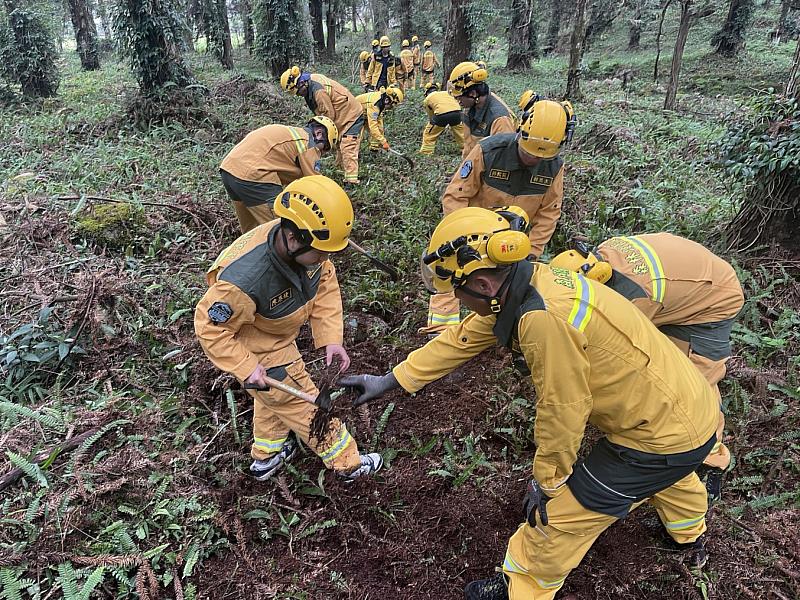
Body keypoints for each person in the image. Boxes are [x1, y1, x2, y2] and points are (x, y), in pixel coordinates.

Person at [340, 206, 718, 600]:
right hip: (692, 413)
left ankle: (520, 588)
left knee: (559, 519)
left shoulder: (543, 318)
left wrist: (549, 481)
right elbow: (465, 337)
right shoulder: (535, 280)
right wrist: (391, 379)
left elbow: (564, 406)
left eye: (458, 291)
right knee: (674, 475)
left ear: (484, 285)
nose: (458, 300)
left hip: (659, 438)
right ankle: (689, 535)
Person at [195, 175, 384, 483]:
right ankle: (349, 465)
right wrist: (246, 366)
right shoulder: (245, 281)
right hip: (259, 346)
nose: (326, 258)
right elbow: (210, 327)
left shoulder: (309, 250)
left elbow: (324, 284)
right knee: (306, 405)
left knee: (273, 398)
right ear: (295, 238)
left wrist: (331, 339)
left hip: (277, 334)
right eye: (322, 251)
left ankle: (266, 457)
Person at [550, 233, 745, 501]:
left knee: (694, 386)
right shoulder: (593, 262)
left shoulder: (634, 299)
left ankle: (710, 458)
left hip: (712, 300)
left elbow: (624, 352)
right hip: (678, 288)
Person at [422, 100, 575, 335]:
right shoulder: (489, 151)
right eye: (528, 152)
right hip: (472, 235)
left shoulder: (553, 167)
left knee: (501, 290)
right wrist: (460, 236)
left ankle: (491, 334)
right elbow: (456, 195)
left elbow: (549, 212)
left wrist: (532, 251)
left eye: (540, 157)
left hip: (510, 242)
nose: (534, 160)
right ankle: (440, 330)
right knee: (449, 272)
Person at [219, 117, 339, 233]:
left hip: (229, 170)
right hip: (254, 176)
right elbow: (315, 184)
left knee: (251, 230)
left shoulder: (291, 136)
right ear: (319, 134)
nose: (321, 154)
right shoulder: (308, 143)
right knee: (280, 229)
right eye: (325, 148)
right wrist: (331, 212)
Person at [280, 67, 365, 186]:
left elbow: (328, 116)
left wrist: (322, 137)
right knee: (340, 146)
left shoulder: (318, 92)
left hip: (351, 116)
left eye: (298, 92)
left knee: (347, 146)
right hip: (342, 116)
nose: (299, 95)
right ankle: (339, 169)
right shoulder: (311, 83)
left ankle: (351, 181)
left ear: (301, 83)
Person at [447, 61, 516, 159]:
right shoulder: (471, 107)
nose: (458, 102)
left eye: (459, 98)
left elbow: (503, 158)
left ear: (473, 94)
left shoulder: (500, 119)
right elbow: (469, 144)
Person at [419, 82, 465, 155]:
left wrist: (436, 125)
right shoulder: (446, 93)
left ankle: (426, 153)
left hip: (441, 114)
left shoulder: (428, 99)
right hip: (457, 113)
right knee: (461, 134)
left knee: (429, 134)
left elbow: (431, 115)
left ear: (427, 92)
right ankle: (466, 149)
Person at [355, 86, 404, 151]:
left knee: (378, 129)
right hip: (355, 114)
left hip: (365, 113)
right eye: (393, 104)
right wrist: (383, 141)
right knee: (357, 138)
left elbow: (379, 124)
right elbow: (373, 126)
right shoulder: (375, 105)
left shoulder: (382, 100)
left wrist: (382, 141)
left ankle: (374, 148)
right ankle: (352, 155)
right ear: (389, 100)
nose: (392, 106)